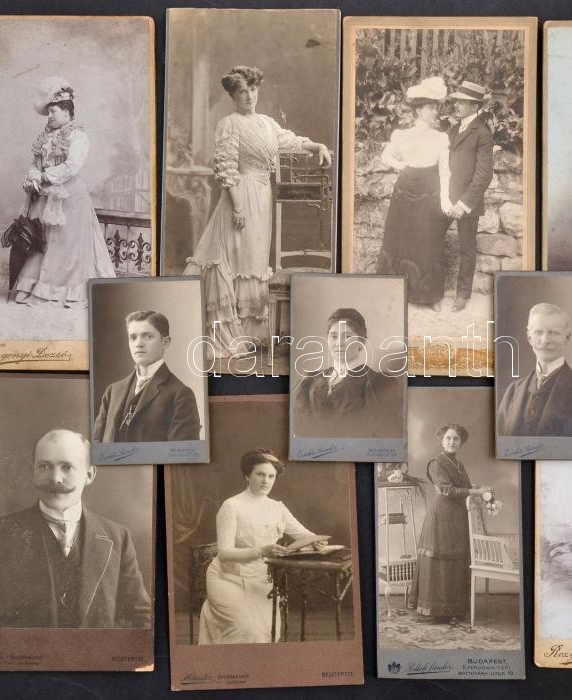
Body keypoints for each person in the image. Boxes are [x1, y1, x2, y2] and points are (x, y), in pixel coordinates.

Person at [183, 66, 332, 359]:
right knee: (237, 255)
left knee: (253, 258)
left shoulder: (266, 123)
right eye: (242, 91)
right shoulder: (229, 124)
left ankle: (250, 331)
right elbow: (226, 167)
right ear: (232, 96)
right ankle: (229, 334)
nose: (249, 96)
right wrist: (238, 206)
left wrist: (318, 145)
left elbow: (289, 141)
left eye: (252, 90)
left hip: (263, 195)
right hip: (240, 195)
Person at [0, 429, 151, 628]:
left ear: (89, 474)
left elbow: (141, 619)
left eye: (67, 467)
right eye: (44, 466)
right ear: (32, 471)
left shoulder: (118, 537)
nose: (55, 478)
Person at [197, 449, 326, 644]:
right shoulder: (231, 506)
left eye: (271, 476)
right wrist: (261, 551)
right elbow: (223, 553)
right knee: (245, 629)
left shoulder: (277, 507)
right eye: (260, 474)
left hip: (261, 580)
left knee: (266, 633)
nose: (266, 481)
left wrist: (315, 540)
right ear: (247, 475)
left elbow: (304, 534)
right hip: (227, 578)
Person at [13, 76, 116, 307]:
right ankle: (35, 287)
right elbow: (35, 163)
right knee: (43, 242)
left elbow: (72, 166)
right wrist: (32, 176)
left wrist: (43, 177)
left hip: (70, 198)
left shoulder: (78, 136)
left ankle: (62, 291)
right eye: (48, 111)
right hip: (45, 198)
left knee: (66, 244)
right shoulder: (45, 138)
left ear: (67, 113)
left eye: (53, 111)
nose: (49, 116)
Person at [376, 76, 451, 311]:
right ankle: (397, 292)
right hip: (405, 189)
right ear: (419, 110)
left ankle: (430, 296)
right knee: (400, 238)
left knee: (429, 240)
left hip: (430, 190)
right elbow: (385, 156)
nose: (436, 111)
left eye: (437, 107)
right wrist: (403, 167)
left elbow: (445, 171)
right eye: (431, 107)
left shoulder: (441, 137)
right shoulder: (402, 135)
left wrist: (445, 200)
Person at [409, 424, 487, 622]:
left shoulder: (459, 464)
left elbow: (464, 487)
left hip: (458, 516)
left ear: (461, 443)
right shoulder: (436, 463)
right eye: (448, 438)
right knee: (440, 561)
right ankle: (435, 611)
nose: (452, 442)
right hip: (441, 515)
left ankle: (453, 609)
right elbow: (448, 490)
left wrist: (478, 488)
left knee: (457, 560)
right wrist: (475, 492)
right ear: (442, 441)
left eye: (456, 439)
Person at [497, 303, 572, 437]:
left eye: (553, 333)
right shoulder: (513, 391)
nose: (545, 340)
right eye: (538, 332)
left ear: (567, 338)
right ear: (529, 337)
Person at [292, 308, 402, 437]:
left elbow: (383, 434)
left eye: (347, 336)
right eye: (333, 336)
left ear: (361, 342)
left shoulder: (375, 383)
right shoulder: (310, 380)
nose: (339, 343)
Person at [94, 310, 201, 443]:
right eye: (133, 337)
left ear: (165, 342)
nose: (138, 343)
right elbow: (97, 445)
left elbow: (180, 453)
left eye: (148, 336)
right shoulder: (112, 391)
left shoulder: (180, 395)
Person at [443, 80, 495, 312]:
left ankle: (462, 295)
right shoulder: (455, 129)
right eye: (457, 101)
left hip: (467, 202)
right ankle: (429, 289)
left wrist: (463, 203)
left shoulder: (482, 133)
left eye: (463, 102)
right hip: (445, 199)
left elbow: (484, 175)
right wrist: (445, 197)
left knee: (467, 249)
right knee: (431, 238)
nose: (457, 105)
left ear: (475, 106)